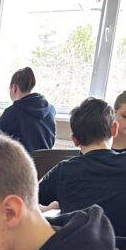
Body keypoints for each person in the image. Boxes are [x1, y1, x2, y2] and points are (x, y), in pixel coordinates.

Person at [39, 98, 126, 236]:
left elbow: (29, 197)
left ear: (75, 140)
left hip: (78, 247)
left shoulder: (63, 171)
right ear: (114, 129)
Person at [0, 67, 56, 153]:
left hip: (21, 161)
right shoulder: (51, 110)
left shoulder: (12, 112)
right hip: (46, 161)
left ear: (14, 87)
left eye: (10, 88)